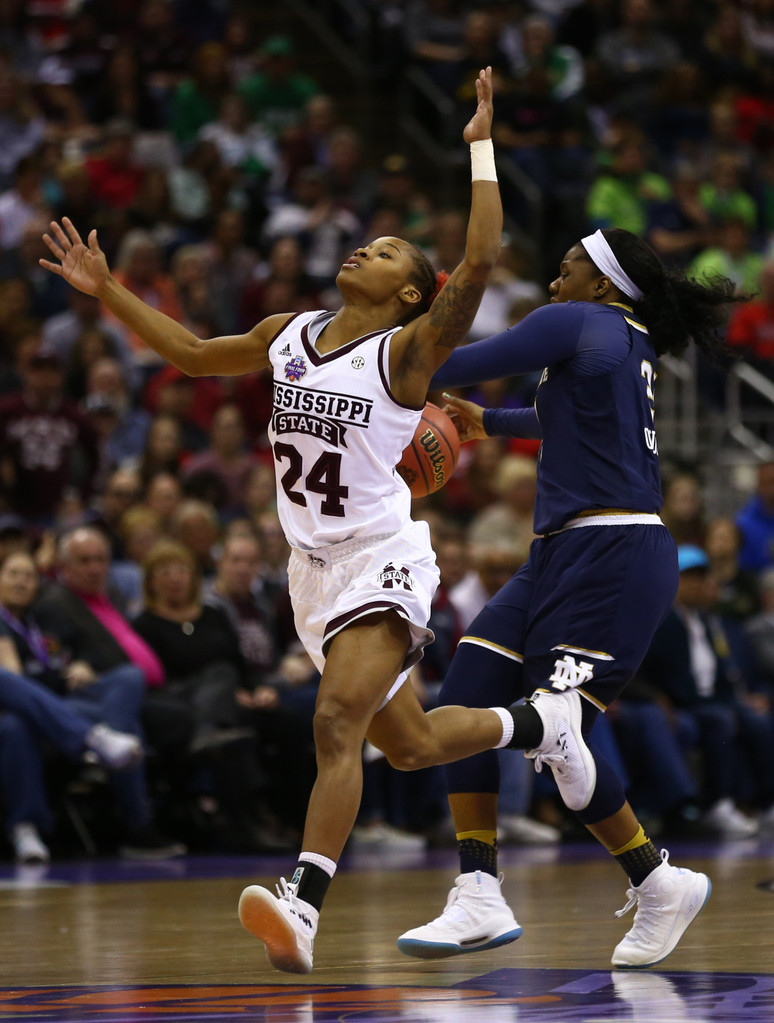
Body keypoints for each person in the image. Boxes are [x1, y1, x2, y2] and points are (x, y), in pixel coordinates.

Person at [39, 69, 538, 975]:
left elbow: (481, 262)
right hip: (313, 570)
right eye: (367, 243)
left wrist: (478, 147)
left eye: (387, 251)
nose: (364, 251)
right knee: (415, 744)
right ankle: (540, 726)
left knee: (335, 720)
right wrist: (107, 290)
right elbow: (191, 355)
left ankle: (302, 908)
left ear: (412, 294)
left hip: (384, 553)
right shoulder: (288, 331)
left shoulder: (409, 352)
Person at [397, 226, 740, 969]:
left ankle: (657, 880)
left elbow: (454, 359)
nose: (555, 281)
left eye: (568, 267)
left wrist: (377, 352)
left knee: (559, 730)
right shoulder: (617, 339)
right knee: (467, 689)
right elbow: (561, 419)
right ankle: (482, 889)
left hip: (614, 552)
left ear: (604, 282)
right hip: (557, 550)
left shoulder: (577, 322)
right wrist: (491, 423)